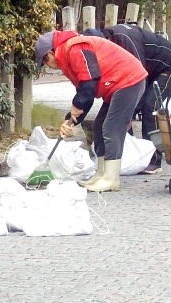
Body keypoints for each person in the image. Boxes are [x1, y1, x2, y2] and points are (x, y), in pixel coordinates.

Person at [35, 30, 147, 192]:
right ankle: (101, 173)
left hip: (128, 81)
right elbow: (85, 95)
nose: (48, 65)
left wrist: (76, 106)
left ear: (51, 52)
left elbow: (88, 84)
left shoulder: (74, 49)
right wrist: (71, 121)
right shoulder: (67, 55)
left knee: (112, 128)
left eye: (45, 60)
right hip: (117, 85)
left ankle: (111, 178)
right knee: (99, 126)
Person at [85, 24, 171, 174]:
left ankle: (154, 159)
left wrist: (130, 110)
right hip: (147, 70)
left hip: (166, 67)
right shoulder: (109, 44)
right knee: (124, 109)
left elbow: (138, 75)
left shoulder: (124, 40)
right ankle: (130, 156)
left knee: (151, 107)